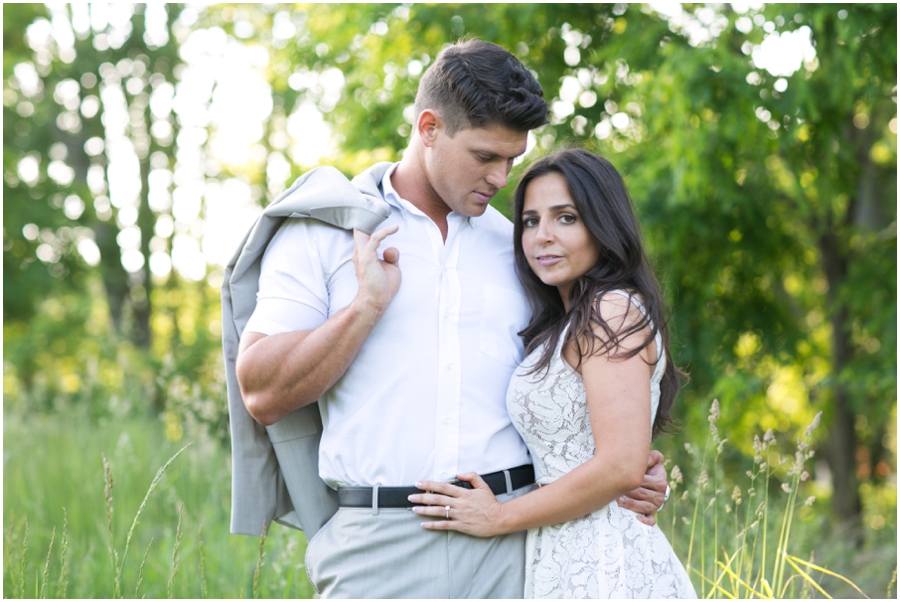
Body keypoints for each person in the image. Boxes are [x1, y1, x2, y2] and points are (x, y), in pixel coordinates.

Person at [234, 41, 670, 598]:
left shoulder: (522, 250)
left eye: (512, 160)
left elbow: (586, 377)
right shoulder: (326, 233)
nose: (500, 177)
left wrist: (629, 468)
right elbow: (262, 392)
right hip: (375, 546)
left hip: (514, 546)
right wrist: (364, 308)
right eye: (485, 156)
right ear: (430, 128)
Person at [409, 148, 696, 598]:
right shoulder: (560, 324)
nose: (542, 236)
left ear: (603, 225)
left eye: (566, 218)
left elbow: (620, 466)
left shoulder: (612, 310)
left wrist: (499, 517)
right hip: (558, 553)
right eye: (530, 221)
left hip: (606, 564)